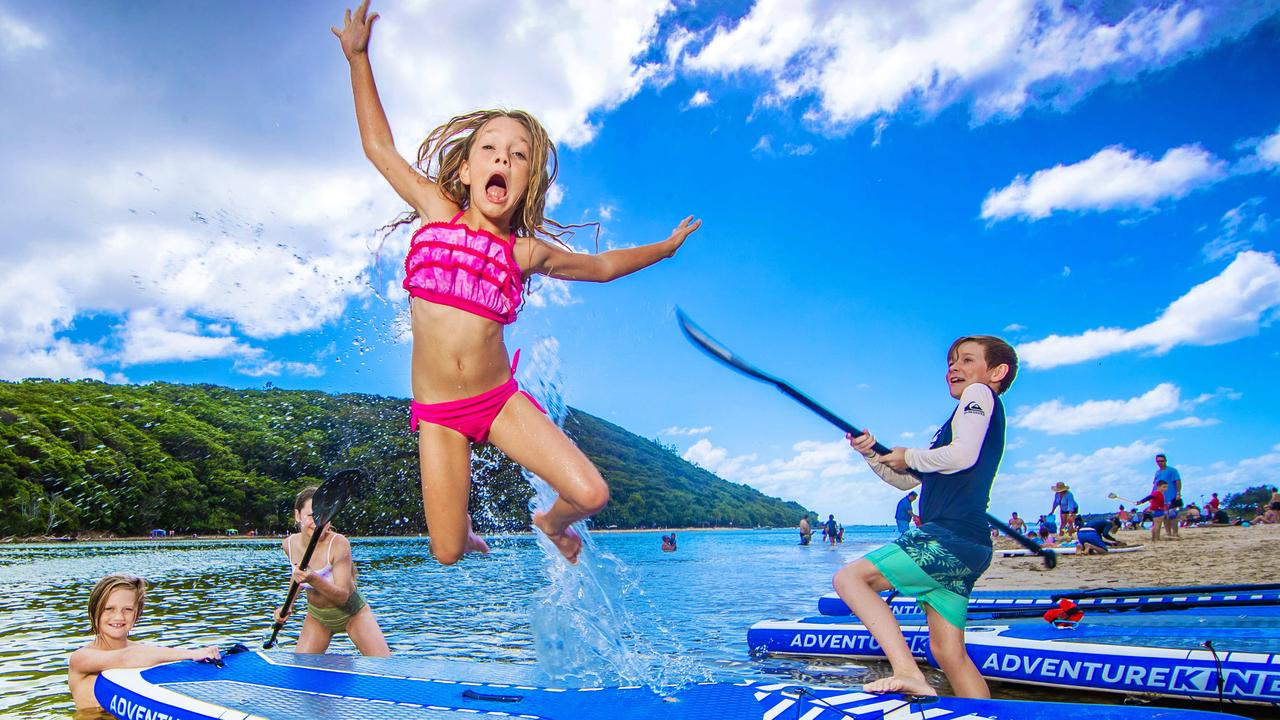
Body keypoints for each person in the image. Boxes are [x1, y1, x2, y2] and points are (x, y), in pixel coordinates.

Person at [333, 1, 700, 565]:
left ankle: (552, 524)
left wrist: (665, 248)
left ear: (525, 182)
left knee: (591, 493)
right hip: (437, 412)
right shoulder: (436, 211)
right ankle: (465, 530)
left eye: (517, 155)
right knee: (449, 552)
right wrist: (359, 59)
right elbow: (379, 148)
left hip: (498, 402)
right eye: (490, 149)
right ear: (465, 170)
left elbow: (600, 268)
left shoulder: (522, 251)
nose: (502, 157)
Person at [835, 335, 1017, 698]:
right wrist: (874, 454)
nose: (954, 367)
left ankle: (907, 671)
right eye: (951, 361)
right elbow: (907, 479)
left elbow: (961, 456)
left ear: (997, 371)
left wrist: (910, 454)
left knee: (850, 579)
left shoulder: (978, 396)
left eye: (967, 360)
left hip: (947, 537)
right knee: (948, 654)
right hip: (970, 546)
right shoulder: (961, 421)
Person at [68, 575, 221, 718]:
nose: (119, 617)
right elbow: (125, 658)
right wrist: (193, 653)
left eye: (127, 610)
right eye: (109, 609)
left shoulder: (144, 653)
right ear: (94, 611)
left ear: (138, 614)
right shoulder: (82, 658)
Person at [275, 486, 390, 656]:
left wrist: (313, 579)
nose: (318, 522)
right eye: (311, 516)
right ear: (298, 515)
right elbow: (298, 575)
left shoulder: (339, 544)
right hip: (317, 618)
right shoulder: (289, 544)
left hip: (353, 613)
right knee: (303, 672)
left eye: (324, 515)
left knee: (383, 669)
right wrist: (287, 606)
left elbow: (343, 596)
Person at [1152, 454, 1182, 539]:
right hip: (1160, 498)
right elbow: (1155, 485)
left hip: (1171, 497)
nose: (1160, 463)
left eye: (1162, 461)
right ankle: (1168, 532)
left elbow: (1178, 481)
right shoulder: (1157, 472)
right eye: (1158, 461)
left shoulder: (1172, 471)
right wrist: (1152, 496)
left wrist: (1178, 493)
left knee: (1172, 516)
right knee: (1164, 516)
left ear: (1165, 461)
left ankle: (1175, 533)